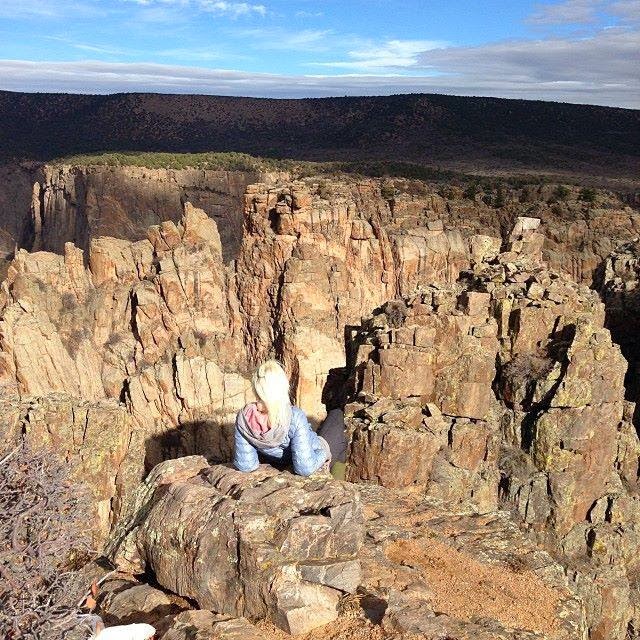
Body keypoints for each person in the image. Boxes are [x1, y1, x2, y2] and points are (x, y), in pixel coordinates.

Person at [233, 360, 347, 477]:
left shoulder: (245, 417)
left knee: (324, 429)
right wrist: (323, 454)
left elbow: (246, 465)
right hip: (311, 451)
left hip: (280, 461)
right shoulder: (293, 416)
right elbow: (305, 468)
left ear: (257, 388)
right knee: (337, 416)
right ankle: (338, 482)